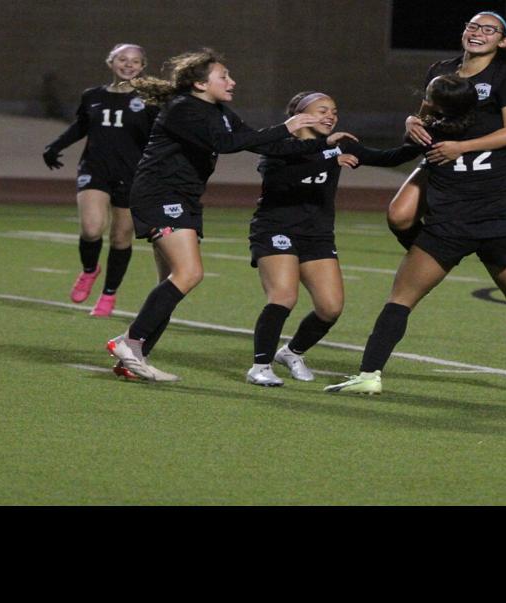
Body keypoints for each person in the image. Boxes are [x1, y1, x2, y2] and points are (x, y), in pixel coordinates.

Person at [103, 49, 351, 382]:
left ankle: (133, 358)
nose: (231, 81)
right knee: (189, 273)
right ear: (200, 82)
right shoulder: (183, 109)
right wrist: (288, 126)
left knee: (172, 282)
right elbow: (227, 143)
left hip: (184, 198)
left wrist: (320, 147)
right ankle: (129, 344)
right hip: (161, 195)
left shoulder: (218, 110)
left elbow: (259, 142)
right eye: (224, 76)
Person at [326, 74, 506, 399]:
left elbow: (385, 157)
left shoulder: (430, 134)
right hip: (498, 227)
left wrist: (346, 146)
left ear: (434, 105)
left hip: (447, 231)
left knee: (400, 301)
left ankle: (369, 374)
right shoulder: (503, 133)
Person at [244, 91, 424, 387]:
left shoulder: (339, 144)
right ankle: (260, 366)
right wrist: (330, 156)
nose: (331, 116)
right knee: (284, 297)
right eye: (322, 110)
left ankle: (291, 353)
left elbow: (387, 158)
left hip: (317, 235)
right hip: (276, 229)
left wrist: (414, 141)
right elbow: (281, 180)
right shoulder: (279, 144)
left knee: (330, 308)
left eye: (334, 111)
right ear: (300, 115)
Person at [385, 10, 506, 342]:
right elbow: (427, 111)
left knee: (501, 237)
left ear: (502, 41)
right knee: (399, 216)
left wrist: (463, 147)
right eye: (473, 26)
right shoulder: (441, 70)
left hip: (495, 170)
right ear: (463, 32)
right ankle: (438, 255)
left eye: (489, 29)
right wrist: (412, 122)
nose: (478, 33)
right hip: (444, 159)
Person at [42, 43, 157, 318]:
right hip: (95, 169)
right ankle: (90, 270)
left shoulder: (150, 101)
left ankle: (109, 294)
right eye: (122, 59)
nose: (128, 65)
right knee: (92, 229)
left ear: (142, 67)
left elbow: (158, 137)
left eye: (135, 61)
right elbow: (82, 126)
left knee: (120, 237)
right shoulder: (92, 96)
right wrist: (55, 146)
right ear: (110, 62)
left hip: (132, 174)